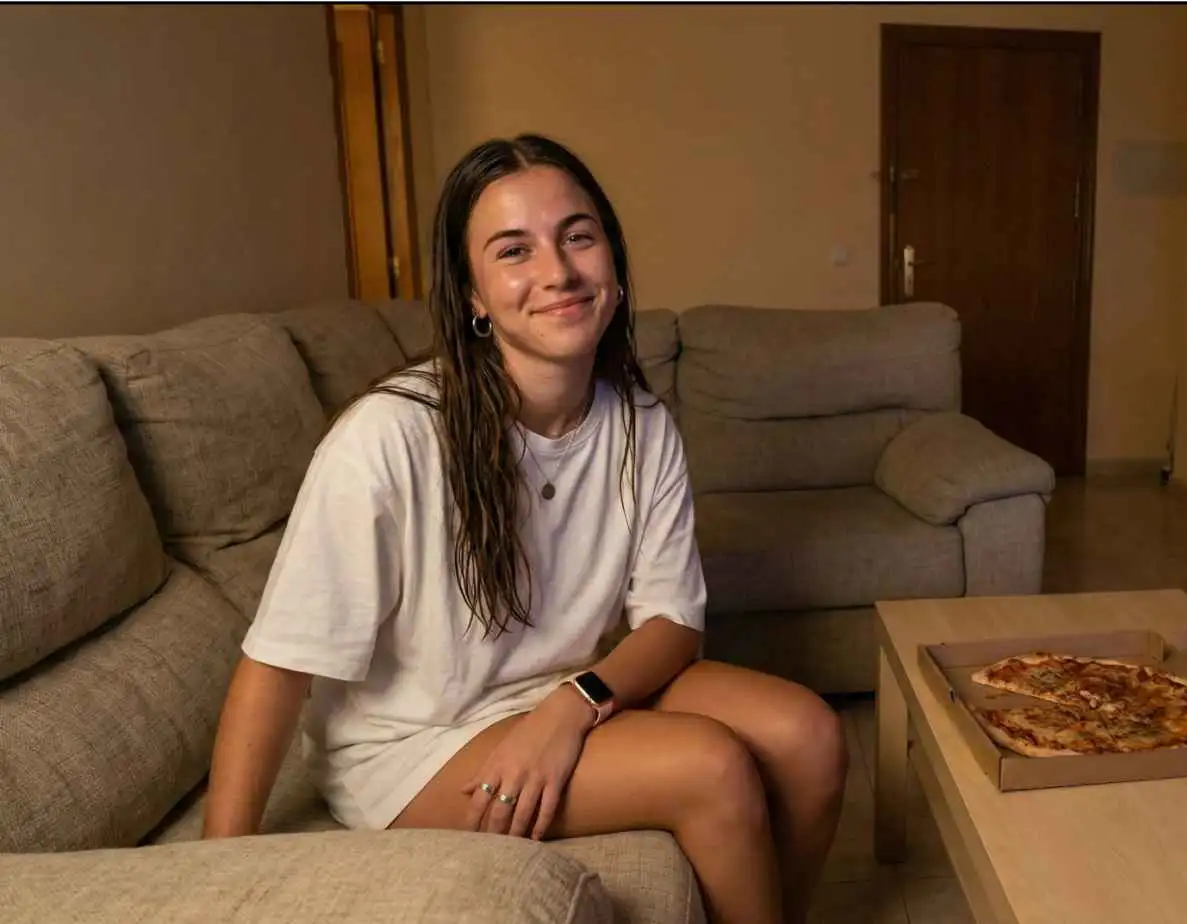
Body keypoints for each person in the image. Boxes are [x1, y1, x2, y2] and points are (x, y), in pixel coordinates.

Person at [201, 133, 849, 924]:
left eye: (578, 236)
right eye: (514, 251)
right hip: (417, 744)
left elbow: (674, 623)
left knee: (810, 736)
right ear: (473, 295)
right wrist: (215, 881)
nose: (558, 271)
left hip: (566, 686)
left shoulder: (641, 422)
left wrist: (569, 709)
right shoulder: (388, 437)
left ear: (613, 263)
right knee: (710, 768)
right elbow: (277, 666)